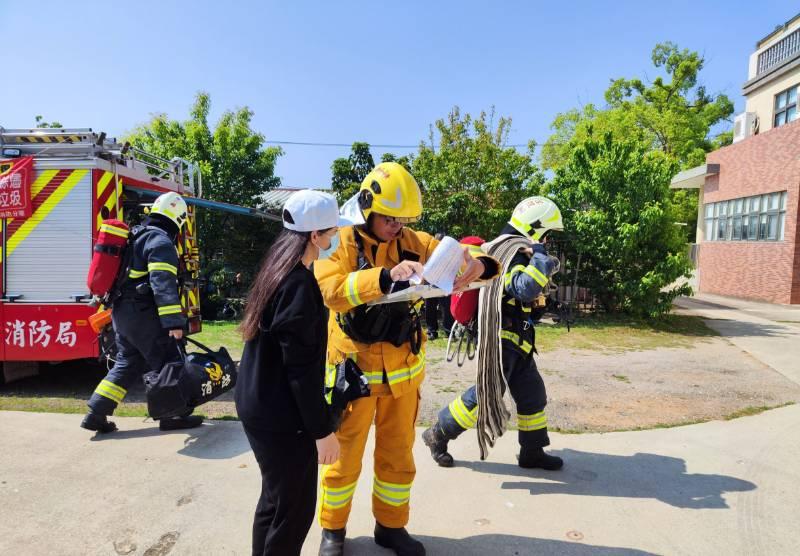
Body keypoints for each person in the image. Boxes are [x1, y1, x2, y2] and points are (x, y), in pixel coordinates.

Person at [314, 162, 498, 556]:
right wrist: (384, 277)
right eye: (389, 218)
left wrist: (477, 264)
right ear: (367, 207)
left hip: (402, 376)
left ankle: (391, 527)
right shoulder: (341, 241)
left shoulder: (414, 240)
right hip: (354, 376)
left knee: (398, 457)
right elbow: (329, 289)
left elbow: (470, 254)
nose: (397, 226)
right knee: (343, 460)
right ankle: (333, 530)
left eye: (403, 219)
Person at [235, 190, 347, 556]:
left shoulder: (275, 269)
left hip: (258, 405)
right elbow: (299, 371)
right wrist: (322, 432)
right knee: (294, 511)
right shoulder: (299, 285)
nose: (334, 240)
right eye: (331, 233)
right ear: (315, 236)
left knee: (274, 500)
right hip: (281, 417)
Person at [422, 196, 565, 471]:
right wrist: (540, 256)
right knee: (486, 394)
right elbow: (524, 288)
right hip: (501, 339)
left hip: (518, 340)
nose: (547, 241)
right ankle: (437, 434)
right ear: (536, 229)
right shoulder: (508, 253)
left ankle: (532, 452)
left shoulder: (518, 250)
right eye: (546, 235)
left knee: (532, 393)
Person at [81, 192, 202, 433]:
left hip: (122, 315)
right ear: (178, 219)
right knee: (168, 362)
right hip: (144, 315)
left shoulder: (136, 236)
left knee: (127, 363)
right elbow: (162, 284)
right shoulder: (161, 242)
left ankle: (96, 413)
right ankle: (172, 416)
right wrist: (173, 323)